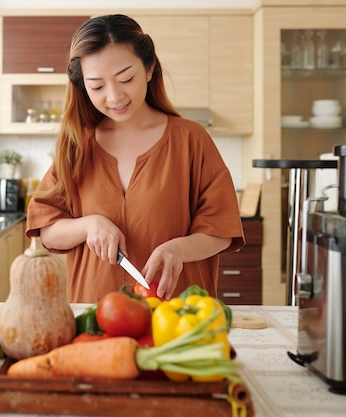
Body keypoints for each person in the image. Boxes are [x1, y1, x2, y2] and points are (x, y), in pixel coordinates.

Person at [26, 14, 245, 303]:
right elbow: (48, 230)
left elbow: (222, 230)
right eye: (97, 86)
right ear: (83, 87)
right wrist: (89, 225)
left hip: (175, 316)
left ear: (150, 68)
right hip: (97, 317)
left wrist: (179, 249)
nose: (115, 96)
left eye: (126, 78)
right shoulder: (78, 145)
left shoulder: (191, 140)